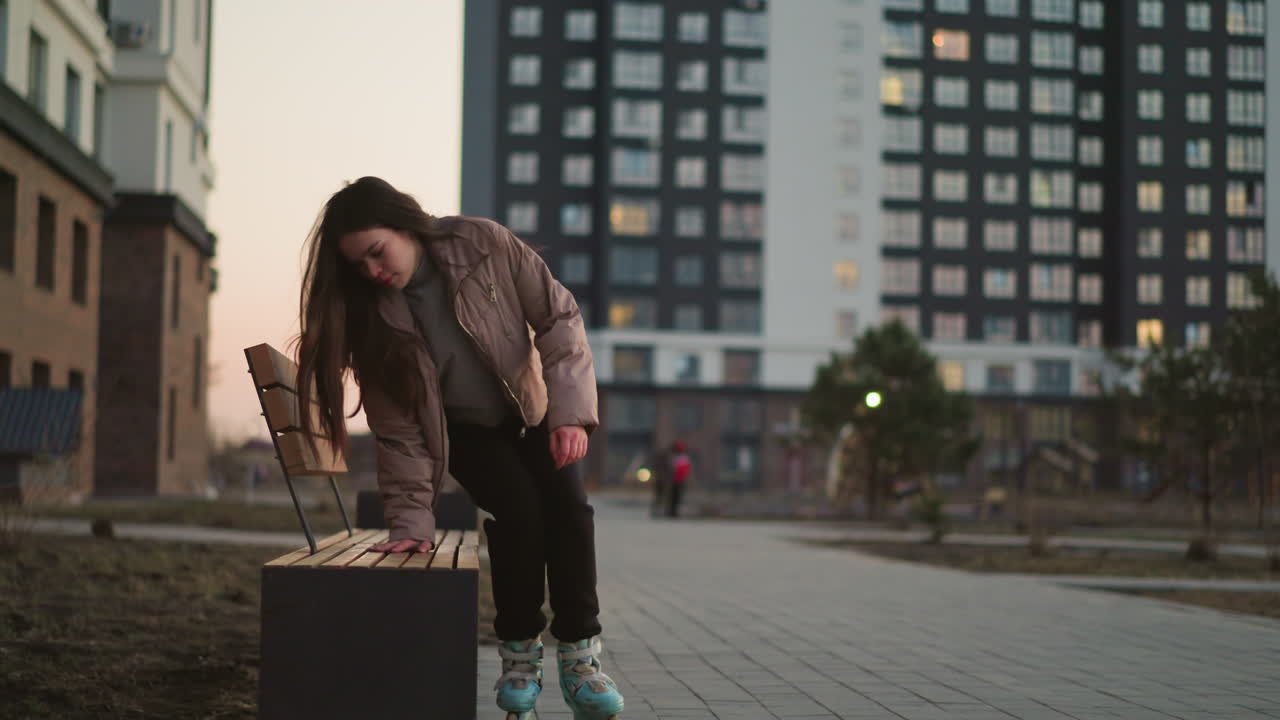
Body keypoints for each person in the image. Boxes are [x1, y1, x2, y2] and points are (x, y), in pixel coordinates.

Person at [294, 177, 623, 720]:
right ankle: (519, 657)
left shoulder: (483, 243)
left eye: (377, 252)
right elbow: (399, 432)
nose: (374, 271)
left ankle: (581, 658)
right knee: (519, 513)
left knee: (569, 509)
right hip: (467, 431)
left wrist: (572, 416)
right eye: (359, 265)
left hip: (536, 408)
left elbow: (558, 317)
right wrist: (410, 523)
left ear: (405, 224)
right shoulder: (373, 318)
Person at [666, 441, 692, 518]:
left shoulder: (682, 458)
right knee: (674, 496)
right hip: (676, 480)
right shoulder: (679, 458)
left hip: (678, 480)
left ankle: (673, 511)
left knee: (676, 496)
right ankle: (672, 511)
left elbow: (683, 470)